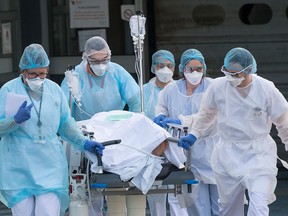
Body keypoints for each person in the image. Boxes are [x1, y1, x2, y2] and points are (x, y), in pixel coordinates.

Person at [178, 47, 288, 216]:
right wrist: (195, 134)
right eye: (227, 72)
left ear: (248, 70)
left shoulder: (266, 89)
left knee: (258, 203)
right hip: (228, 154)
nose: (230, 77)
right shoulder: (218, 87)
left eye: (235, 74)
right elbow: (206, 114)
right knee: (229, 209)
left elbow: (284, 121)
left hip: (259, 154)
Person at [0, 44, 104, 216]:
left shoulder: (54, 90)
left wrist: (84, 143)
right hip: (18, 165)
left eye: (42, 73)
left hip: (49, 164)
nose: (38, 78)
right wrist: (14, 121)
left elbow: (65, 124)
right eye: (33, 74)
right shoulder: (9, 90)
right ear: (23, 71)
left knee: (47, 211)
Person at [154, 48, 219, 216]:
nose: (195, 73)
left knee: (221, 205)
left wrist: (182, 121)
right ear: (183, 69)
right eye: (191, 69)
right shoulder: (171, 89)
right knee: (197, 206)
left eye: (199, 69)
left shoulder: (213, 87)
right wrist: (161, 116)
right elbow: (161, 106)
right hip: (186, 155)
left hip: (214, 152)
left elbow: (211, 116)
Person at [61, 36, 140, 121]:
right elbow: (63, 107)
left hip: (115, 127)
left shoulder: (117, 72)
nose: (100, 65)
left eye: (104, 60)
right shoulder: (75, 76)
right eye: (95, 61)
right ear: (86, 59)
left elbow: (136, 101)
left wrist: (133, 124)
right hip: (84, 129)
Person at [143, 50, 175, 216]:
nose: (165, 69)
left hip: (176, 145)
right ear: (153, 68)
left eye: (169, 66)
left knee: (178, 193)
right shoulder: (143, 91)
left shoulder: (179, 89)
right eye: (161, 66)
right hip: (151, 148)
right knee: (156, 195)